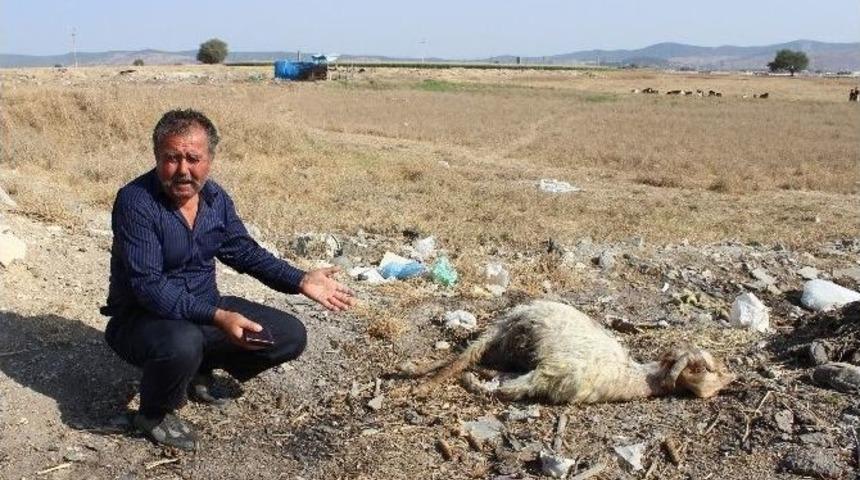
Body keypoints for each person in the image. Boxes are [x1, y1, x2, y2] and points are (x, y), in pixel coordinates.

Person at [101, 109, 356, 450]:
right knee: (183, 342)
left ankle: (197, 370)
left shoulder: (216, 200)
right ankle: (153, 414)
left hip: (204, 311)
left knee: (289, 335)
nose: (183, 170)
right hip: (142, 320)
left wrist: (300, 280)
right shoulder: (136, 202)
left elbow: (244, 252)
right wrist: (219, 317)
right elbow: (149, 287)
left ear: (210, 159)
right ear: (157, 157)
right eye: (172, 158)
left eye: (193, 159)